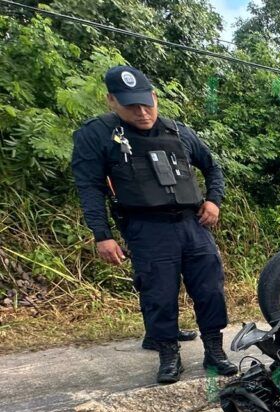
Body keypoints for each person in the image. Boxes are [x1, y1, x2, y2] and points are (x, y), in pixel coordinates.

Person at [71, 65, 237, 384]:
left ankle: (214, 351)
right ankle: (168, 355)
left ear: (155, 97)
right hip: (147, 229)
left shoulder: (178, 131)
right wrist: (102, 235)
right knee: (157, 294)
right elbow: (89, 187)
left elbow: (213, 167)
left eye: (147, 102)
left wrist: (214, 201)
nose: (142, 111)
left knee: (210, 289)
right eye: (131, 105)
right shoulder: (96, 135)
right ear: (111, 101)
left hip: (193, 225)